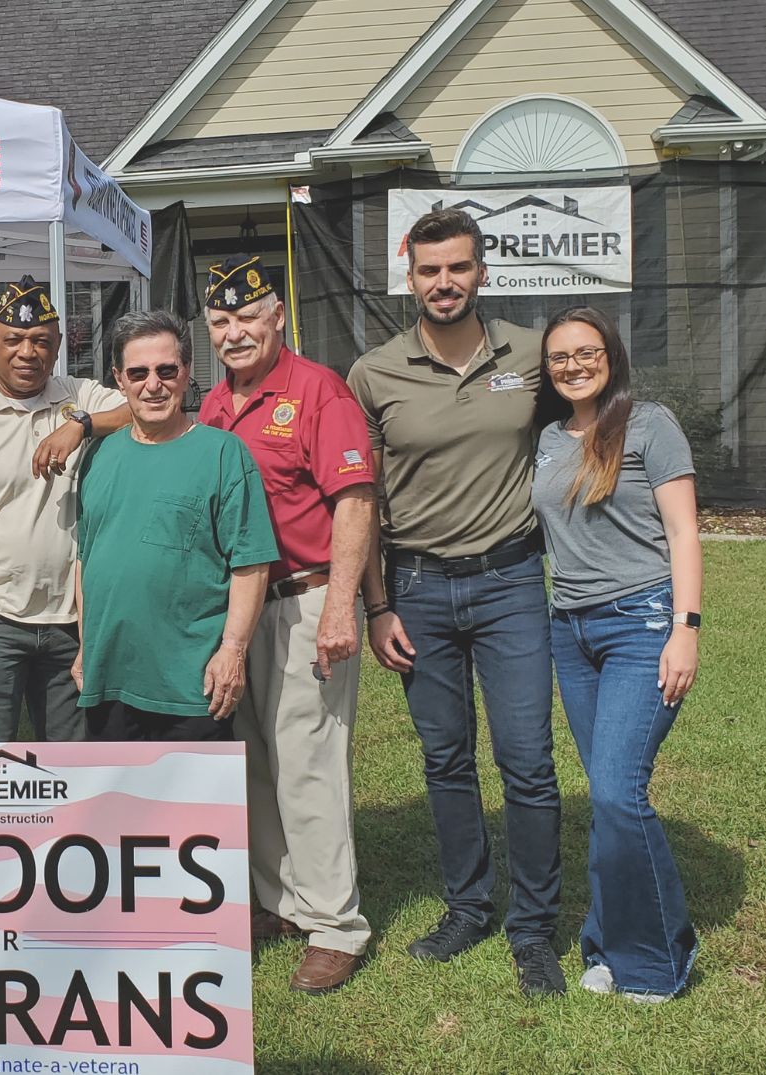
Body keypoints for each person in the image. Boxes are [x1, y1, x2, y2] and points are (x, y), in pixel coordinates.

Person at [347, 208, 566, 996]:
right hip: (419, 589)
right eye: (430, 270)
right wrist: (377, 605)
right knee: (446, 759)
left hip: (511, 582)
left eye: (459, 268)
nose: (445, 283)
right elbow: (360, 498)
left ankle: (534, 927)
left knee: (529, 763)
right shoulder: (374, 373)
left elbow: (585, 425)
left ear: (481, 271)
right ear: (411, 277)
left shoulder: (531, 354)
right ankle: (469, 906)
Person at [194, 256, 377, 994]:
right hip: (240, 607)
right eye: (221, 322)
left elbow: (356, 503)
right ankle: (279, 902)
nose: (235, 333)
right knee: (255, 758)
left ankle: (336, 924)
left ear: (278, 319)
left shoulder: (316, 391)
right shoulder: (210, 404)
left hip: (306, 598)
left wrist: (342, 602)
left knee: (308, 761)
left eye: (247, 317)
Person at [531, 307, 701, 1003]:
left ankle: (660, 959)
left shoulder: (649, 424)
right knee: (606, 796)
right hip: (569, 631)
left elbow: (684, 532)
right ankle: (604, 944)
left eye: (586, 351)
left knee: (616, 791)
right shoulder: (546, 437)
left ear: (611, 355)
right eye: (560, 357)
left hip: (642, 624)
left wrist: (685, 627)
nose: (573, 364)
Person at [0, 275, 129, 742]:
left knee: (73, 761)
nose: (27, 352)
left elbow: (144, 406)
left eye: (41, 341)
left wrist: (82, 425)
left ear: (57, 348)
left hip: (70, 619)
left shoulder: (77, 396)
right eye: (13, 339)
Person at [74, 310, 277, 741]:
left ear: (186, 373)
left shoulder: (224, 454)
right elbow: (85, 561)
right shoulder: (98, 456)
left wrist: (233, 651)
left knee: (195, 810)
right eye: (138, 372)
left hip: (191, 685)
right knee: (119, 807)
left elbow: (251, 563)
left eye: (167, 370)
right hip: (108, 679)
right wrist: (85, 646)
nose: (153, 385)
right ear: (118, 378)